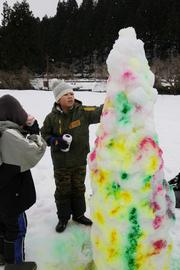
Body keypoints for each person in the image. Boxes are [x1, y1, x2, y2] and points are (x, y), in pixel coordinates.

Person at [41, 80, 103, 233]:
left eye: (71, 94)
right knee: (63, 190)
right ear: (58, 99)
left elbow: (101, 112)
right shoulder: (51, 118)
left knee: (78, 188)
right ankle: (63, 218)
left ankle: (79, 215)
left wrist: (115, 99)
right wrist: (56, 141)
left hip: (79, 160)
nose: (70, 97)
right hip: (61, 163)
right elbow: (44, 135)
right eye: (66, 94)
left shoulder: (82, 111)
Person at [0, 94, 46, 266]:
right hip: (13, 194)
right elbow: (35, 151)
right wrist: (35, 132)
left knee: (3, 226)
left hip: (2, 193)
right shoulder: (9, 135)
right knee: (16, 229)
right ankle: (16, 264)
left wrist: (22, 131)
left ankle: (4, 255)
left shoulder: (3, 131)